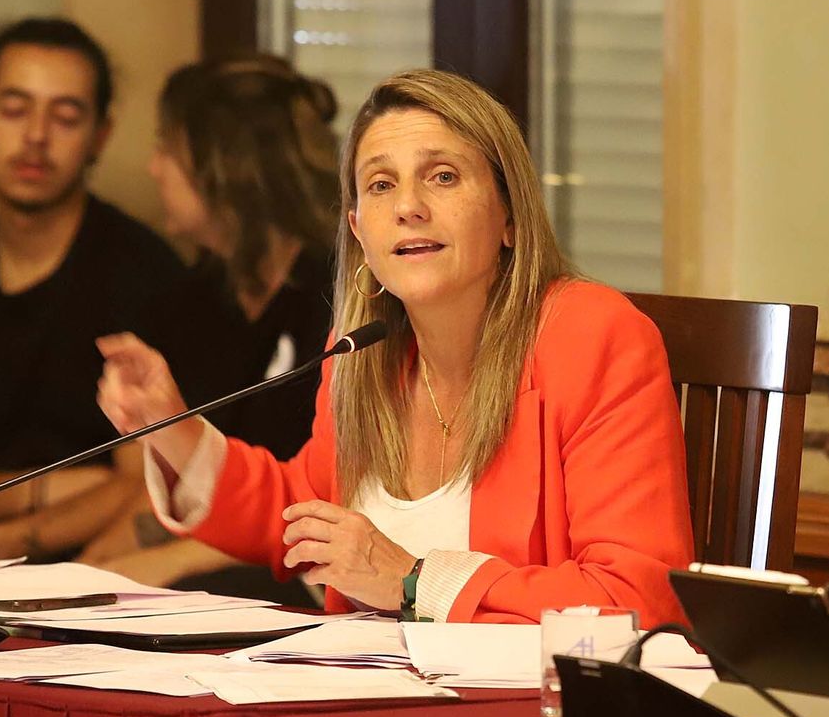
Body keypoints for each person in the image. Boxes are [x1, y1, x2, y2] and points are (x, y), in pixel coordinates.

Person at [96, 69, 693, 625]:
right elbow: (301, 511)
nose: (408, 207)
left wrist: (413, 583)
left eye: (443, 176)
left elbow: (636, 594)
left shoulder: (591, 333)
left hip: (517, 714)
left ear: (510, 215)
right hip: (361, 693)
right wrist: (170, 428)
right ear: (359, 233)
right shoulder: (363, 353)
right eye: (381, 185)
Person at [0, 17, 184, 562]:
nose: (35, 136)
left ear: (101, 134)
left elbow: (144, 485)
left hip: (106, 566)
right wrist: (49, 487)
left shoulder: (146, 276)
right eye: (14, 109)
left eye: (66, 116)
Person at [76, 56, 338, 603]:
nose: (153, 169)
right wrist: (86, 571)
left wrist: (156, 567)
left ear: (226, 168)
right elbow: (162, 486)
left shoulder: (338, 296)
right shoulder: (194, 297)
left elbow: (321, 501)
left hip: (306, 574)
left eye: (166, 150)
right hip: (212, 553)